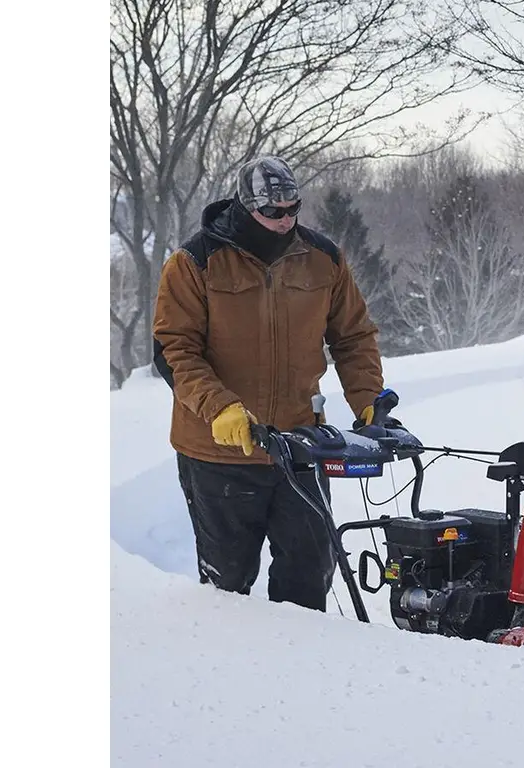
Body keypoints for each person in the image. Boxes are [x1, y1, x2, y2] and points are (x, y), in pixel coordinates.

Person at [151, 155, 386, 612]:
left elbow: (354, 337)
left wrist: (369, 399)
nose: (284, 222)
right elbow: (174, 350)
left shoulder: (322, 259)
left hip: (302, 446)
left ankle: (302, 674)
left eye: (293, 209)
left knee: (309, 575)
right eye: (272, 213)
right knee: (228, 585)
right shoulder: (195, 262)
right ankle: (229, 672)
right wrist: (220, 407)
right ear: (245, 207)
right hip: (220, 451)